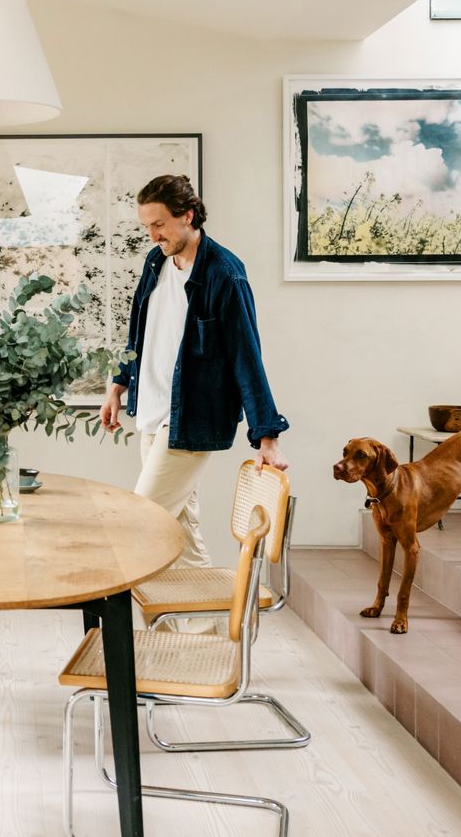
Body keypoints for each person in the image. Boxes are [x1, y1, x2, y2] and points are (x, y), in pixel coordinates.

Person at [99, 174, 290, 631]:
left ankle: (143, 638)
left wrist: (266, 435)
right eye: (147, 226)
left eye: (160, 225)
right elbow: (138, 330)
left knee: (141, 525)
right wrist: (118, 384)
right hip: (151, 414)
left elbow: (246, 356)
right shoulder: (156, 261)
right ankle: (205, 635)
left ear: (188, 216)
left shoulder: (224, 273)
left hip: (190, 421)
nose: (153, 236)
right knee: (181, 536)